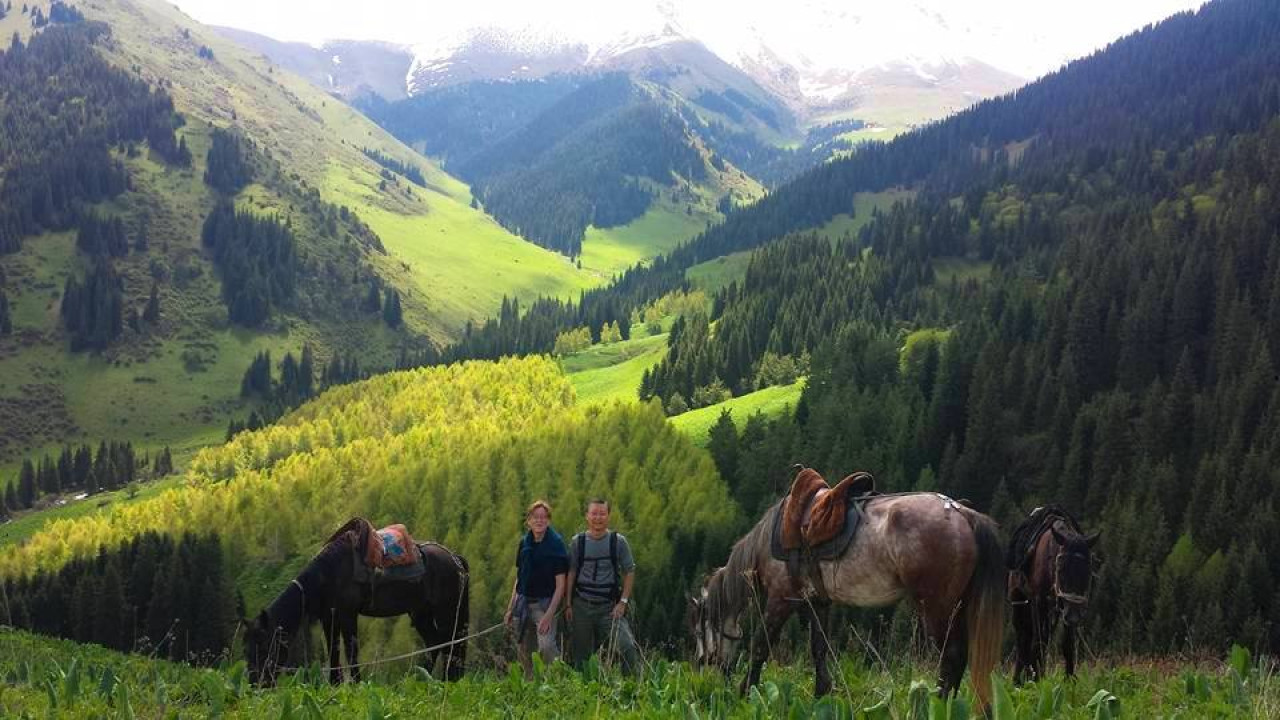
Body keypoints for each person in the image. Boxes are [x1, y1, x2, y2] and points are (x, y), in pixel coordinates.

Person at [566, 497, 640, 675]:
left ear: (608, 516)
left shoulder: (618, 542)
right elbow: (571, 572)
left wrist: (623, 602)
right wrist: (568, 603)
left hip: (609, 608)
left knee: (627, 646)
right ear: (587, 516)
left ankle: (631, 690)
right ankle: (585, 695)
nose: (597, 518)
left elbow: (629, 571)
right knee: (582, 659)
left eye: (602, 513)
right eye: (594, 513)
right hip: (582, 606)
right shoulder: (578, 542)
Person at [503, 500, 569, 678]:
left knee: (546, 647)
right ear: (529, 520)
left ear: (548, 521)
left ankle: (558, 682)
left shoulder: (556, 546)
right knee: (524, 649)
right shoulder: (524, 543)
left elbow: (561, 585)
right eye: (535, 517)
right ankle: (530, 685)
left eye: (543, 517)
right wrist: (511, 608)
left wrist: (549, 615)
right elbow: (520, 577)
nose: (539, 521)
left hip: (545, 605)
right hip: (523, 604)